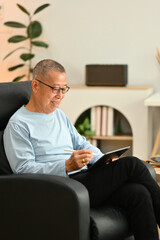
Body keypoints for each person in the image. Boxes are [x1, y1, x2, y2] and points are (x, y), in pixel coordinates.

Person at [3, 59, 160, 240]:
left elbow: (81, 143)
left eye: (64, 89)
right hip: (60, 187)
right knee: (132, 164)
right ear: (36, 85)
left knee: (137, 193)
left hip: (83, 178)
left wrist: (103, 158)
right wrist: (66, 166)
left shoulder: (58, 115)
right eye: (55, 89)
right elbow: (23, 169)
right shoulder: (18, 124)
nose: (60, 95)